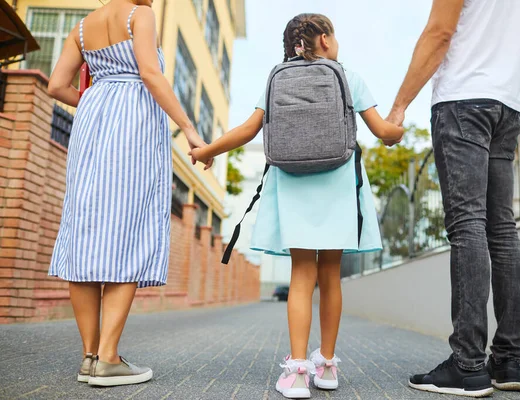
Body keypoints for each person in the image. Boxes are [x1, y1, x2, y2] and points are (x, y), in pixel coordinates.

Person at [190, 13, 404, 399]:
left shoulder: (277, 78)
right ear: (323, 39)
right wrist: (398, 123)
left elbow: (248, 130)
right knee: (331, 276)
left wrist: (207, 150)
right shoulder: (347, 75)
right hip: (338, 183)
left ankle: (298, 375)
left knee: (302, 275)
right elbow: (384, 133)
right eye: (333, 36)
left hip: (292, 183)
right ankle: (327, 367)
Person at [47, 0, 210, 387]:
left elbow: (56, 85)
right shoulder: (142, 15)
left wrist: (92, 101)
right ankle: (109, 357)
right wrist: (189, 128)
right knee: (129, 230)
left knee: (85, 231)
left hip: (91, 125)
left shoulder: (84, 26)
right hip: (132, 124)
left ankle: (89, 357)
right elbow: (150, 75)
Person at [386, 0, 520, 397]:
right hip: (507, 103)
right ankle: (507, 359)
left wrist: (398, 108)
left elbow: (439, 33)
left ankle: (467, 364)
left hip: (464, 98)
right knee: (501, 229)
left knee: (468, 225)